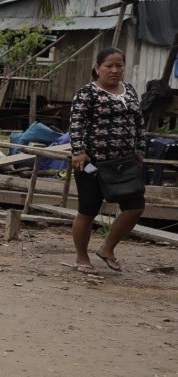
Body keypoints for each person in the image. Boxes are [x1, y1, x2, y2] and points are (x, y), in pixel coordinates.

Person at [69, 47, 147, 274]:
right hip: (91, 163)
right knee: (88, 208)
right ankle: (82, 258)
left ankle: (107, 248)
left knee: (135, 207)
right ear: (97, 68)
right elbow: (76, 124)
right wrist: (78, 151)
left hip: (124, 162)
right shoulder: (87, 93)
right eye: (109, 66)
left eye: (119, 66)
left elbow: (138, 122)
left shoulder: (129, 90)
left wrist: (139, 149)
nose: (114, 70)